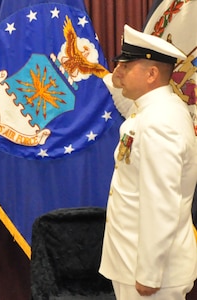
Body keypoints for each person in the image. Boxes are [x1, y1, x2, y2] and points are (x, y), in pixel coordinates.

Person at [99, 24, 197, 300]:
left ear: (152, 74)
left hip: (151, 273)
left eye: (126, 67)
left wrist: (149, 272)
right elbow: (122, 92)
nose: (119, 72)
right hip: (133, 260)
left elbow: (161, 201)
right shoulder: (156, 108)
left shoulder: (158, 122)